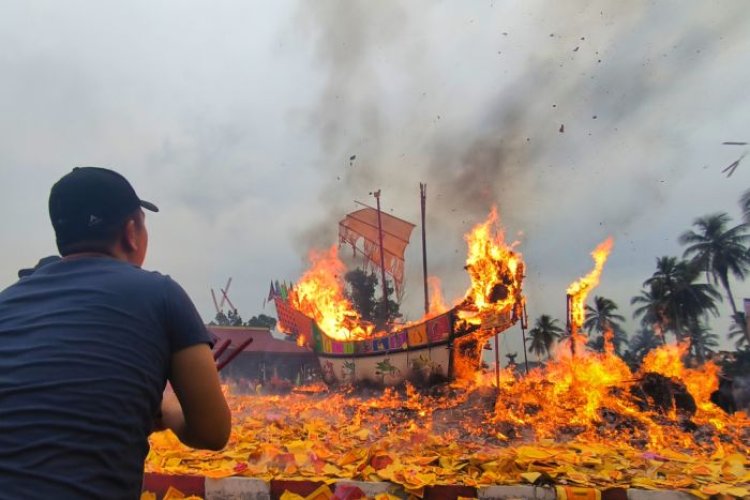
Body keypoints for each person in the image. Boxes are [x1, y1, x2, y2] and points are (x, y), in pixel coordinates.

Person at [0, 167, 231, 499]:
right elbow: (213, 432)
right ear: (131, 233)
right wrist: (166, 410)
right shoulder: (161, 294)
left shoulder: (6, 301)